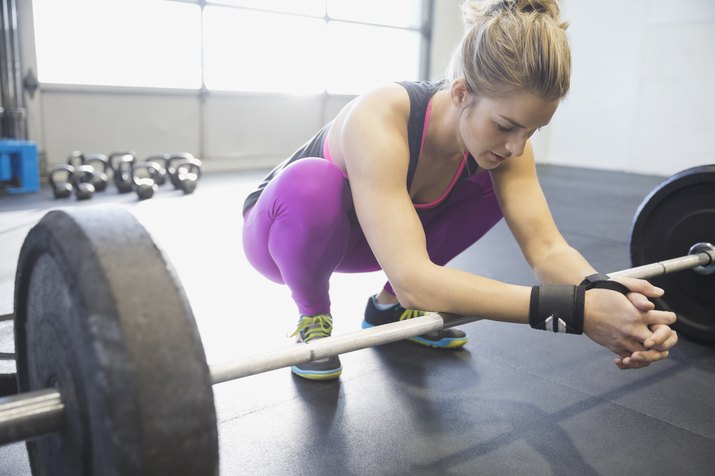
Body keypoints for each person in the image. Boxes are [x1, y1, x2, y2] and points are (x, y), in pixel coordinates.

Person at [241, 0, 678, 381]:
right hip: (284, 235)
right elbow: (418, 279)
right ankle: (311, 317)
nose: (517, 146)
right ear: (461, 91)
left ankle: (388, 307)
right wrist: (576, 312)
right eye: (506, 126)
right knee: (313, 181)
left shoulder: (506, 148)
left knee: (491, 186)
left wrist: (609, 296)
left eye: (533, 131)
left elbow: (546, 249)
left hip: (380, 243)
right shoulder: (380, 116)